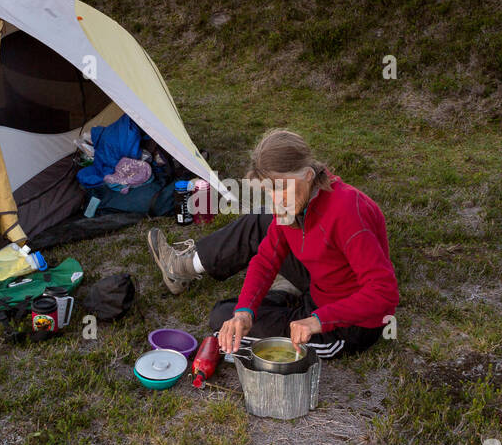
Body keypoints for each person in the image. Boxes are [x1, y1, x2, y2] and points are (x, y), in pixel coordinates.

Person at [147, 128, 399, 359]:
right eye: (270, 190)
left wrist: (318, 320)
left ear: (309, 174)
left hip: (350, 324)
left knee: (223, 322)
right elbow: (266, 259)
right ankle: (280, 296)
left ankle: (292, 305)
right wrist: (245, 311)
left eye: (282, 188)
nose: (277, 200)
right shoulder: (294, 202)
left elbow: (384, 294)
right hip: (319, 288)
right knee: (230, 315)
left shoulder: (347, 211)